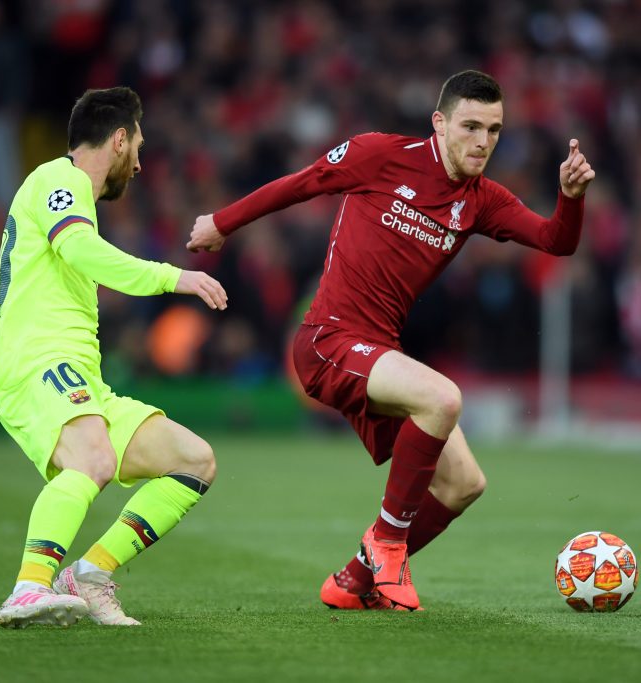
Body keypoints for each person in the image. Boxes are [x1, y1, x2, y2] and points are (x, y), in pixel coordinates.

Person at [187, 70, 594, 611]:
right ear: (439, 123)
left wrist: (570, 197)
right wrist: (220, 222)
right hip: (326, 340)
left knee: (464, 484)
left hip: (379, 352)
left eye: (494, 131)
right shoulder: (379, 154)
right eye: (471, 126)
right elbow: (302, 182)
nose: (483, 142)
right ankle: (386, 543)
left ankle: (354, 579)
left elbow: (555, 240)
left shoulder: (481, 201)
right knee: (443, 398)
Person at [0, 87, 228, 628]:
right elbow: (80, 251)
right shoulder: (59, 180)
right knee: (91, 460)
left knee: (193, 460)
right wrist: (173, 277)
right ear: (118, 140)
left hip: (78, 377)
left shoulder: (65, 198)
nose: (140, 163)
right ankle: (29, 588)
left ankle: (90, 574)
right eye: (138, 145)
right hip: (38, 363)